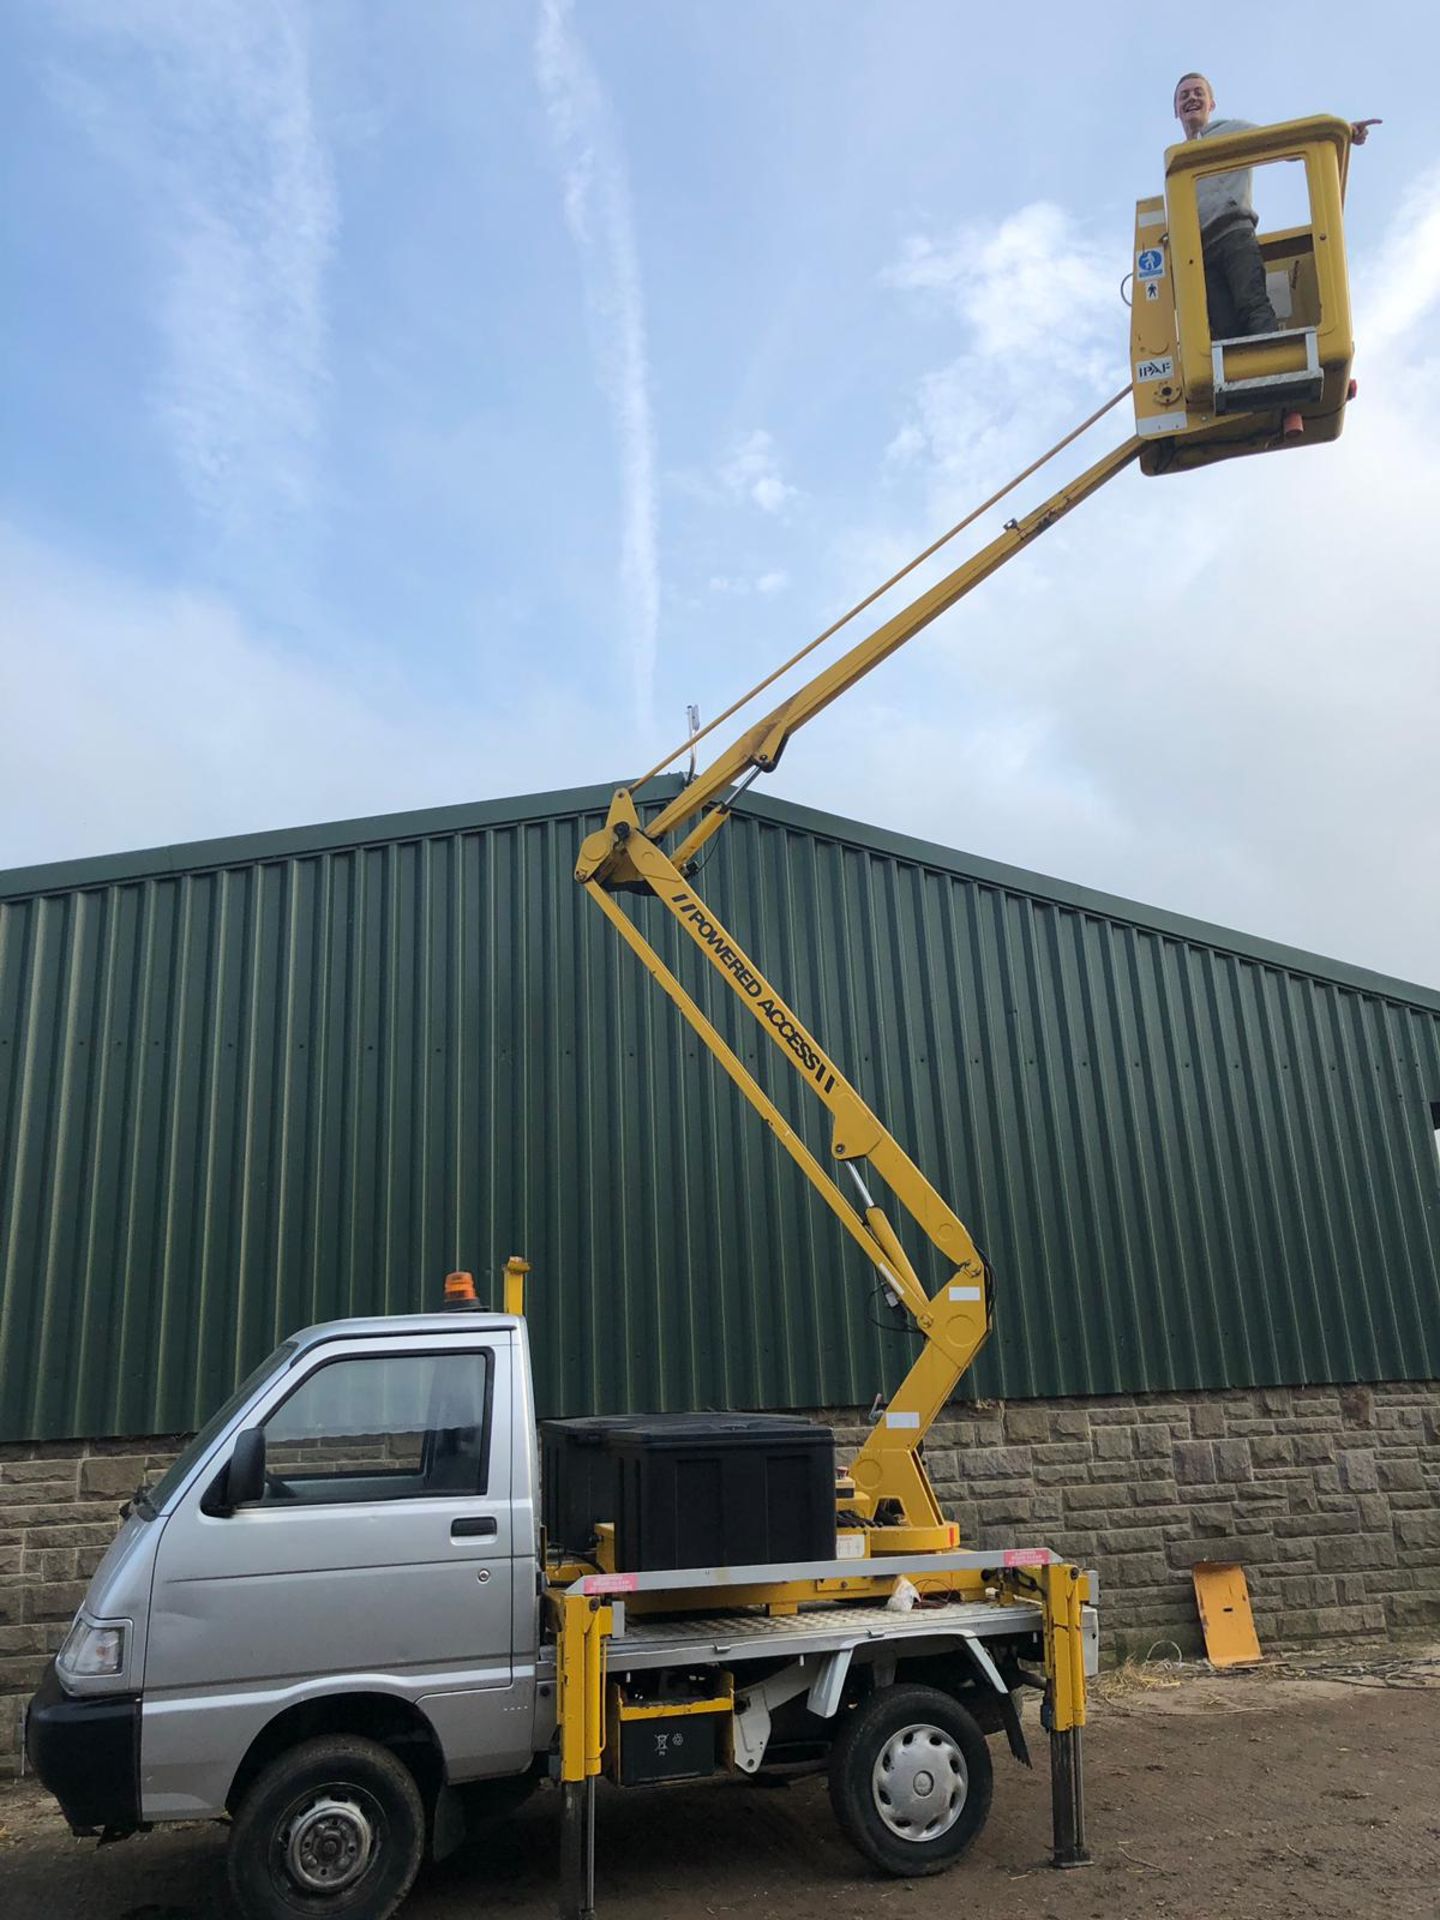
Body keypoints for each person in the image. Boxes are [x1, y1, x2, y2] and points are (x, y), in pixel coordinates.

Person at [1172, 74, 1379, 340]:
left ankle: (1271, 366)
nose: (1192, 98)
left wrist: (1345, 132)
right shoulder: (1176, 163)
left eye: (1198, 93)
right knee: (1222, 326)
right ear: (1176, 109)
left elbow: (1285, 145)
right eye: (1184, 95)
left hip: (1234, 235)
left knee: (1251, 303)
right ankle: (1240, 373)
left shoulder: (1228, 132)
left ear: (1211, 104)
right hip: (1199, 252)